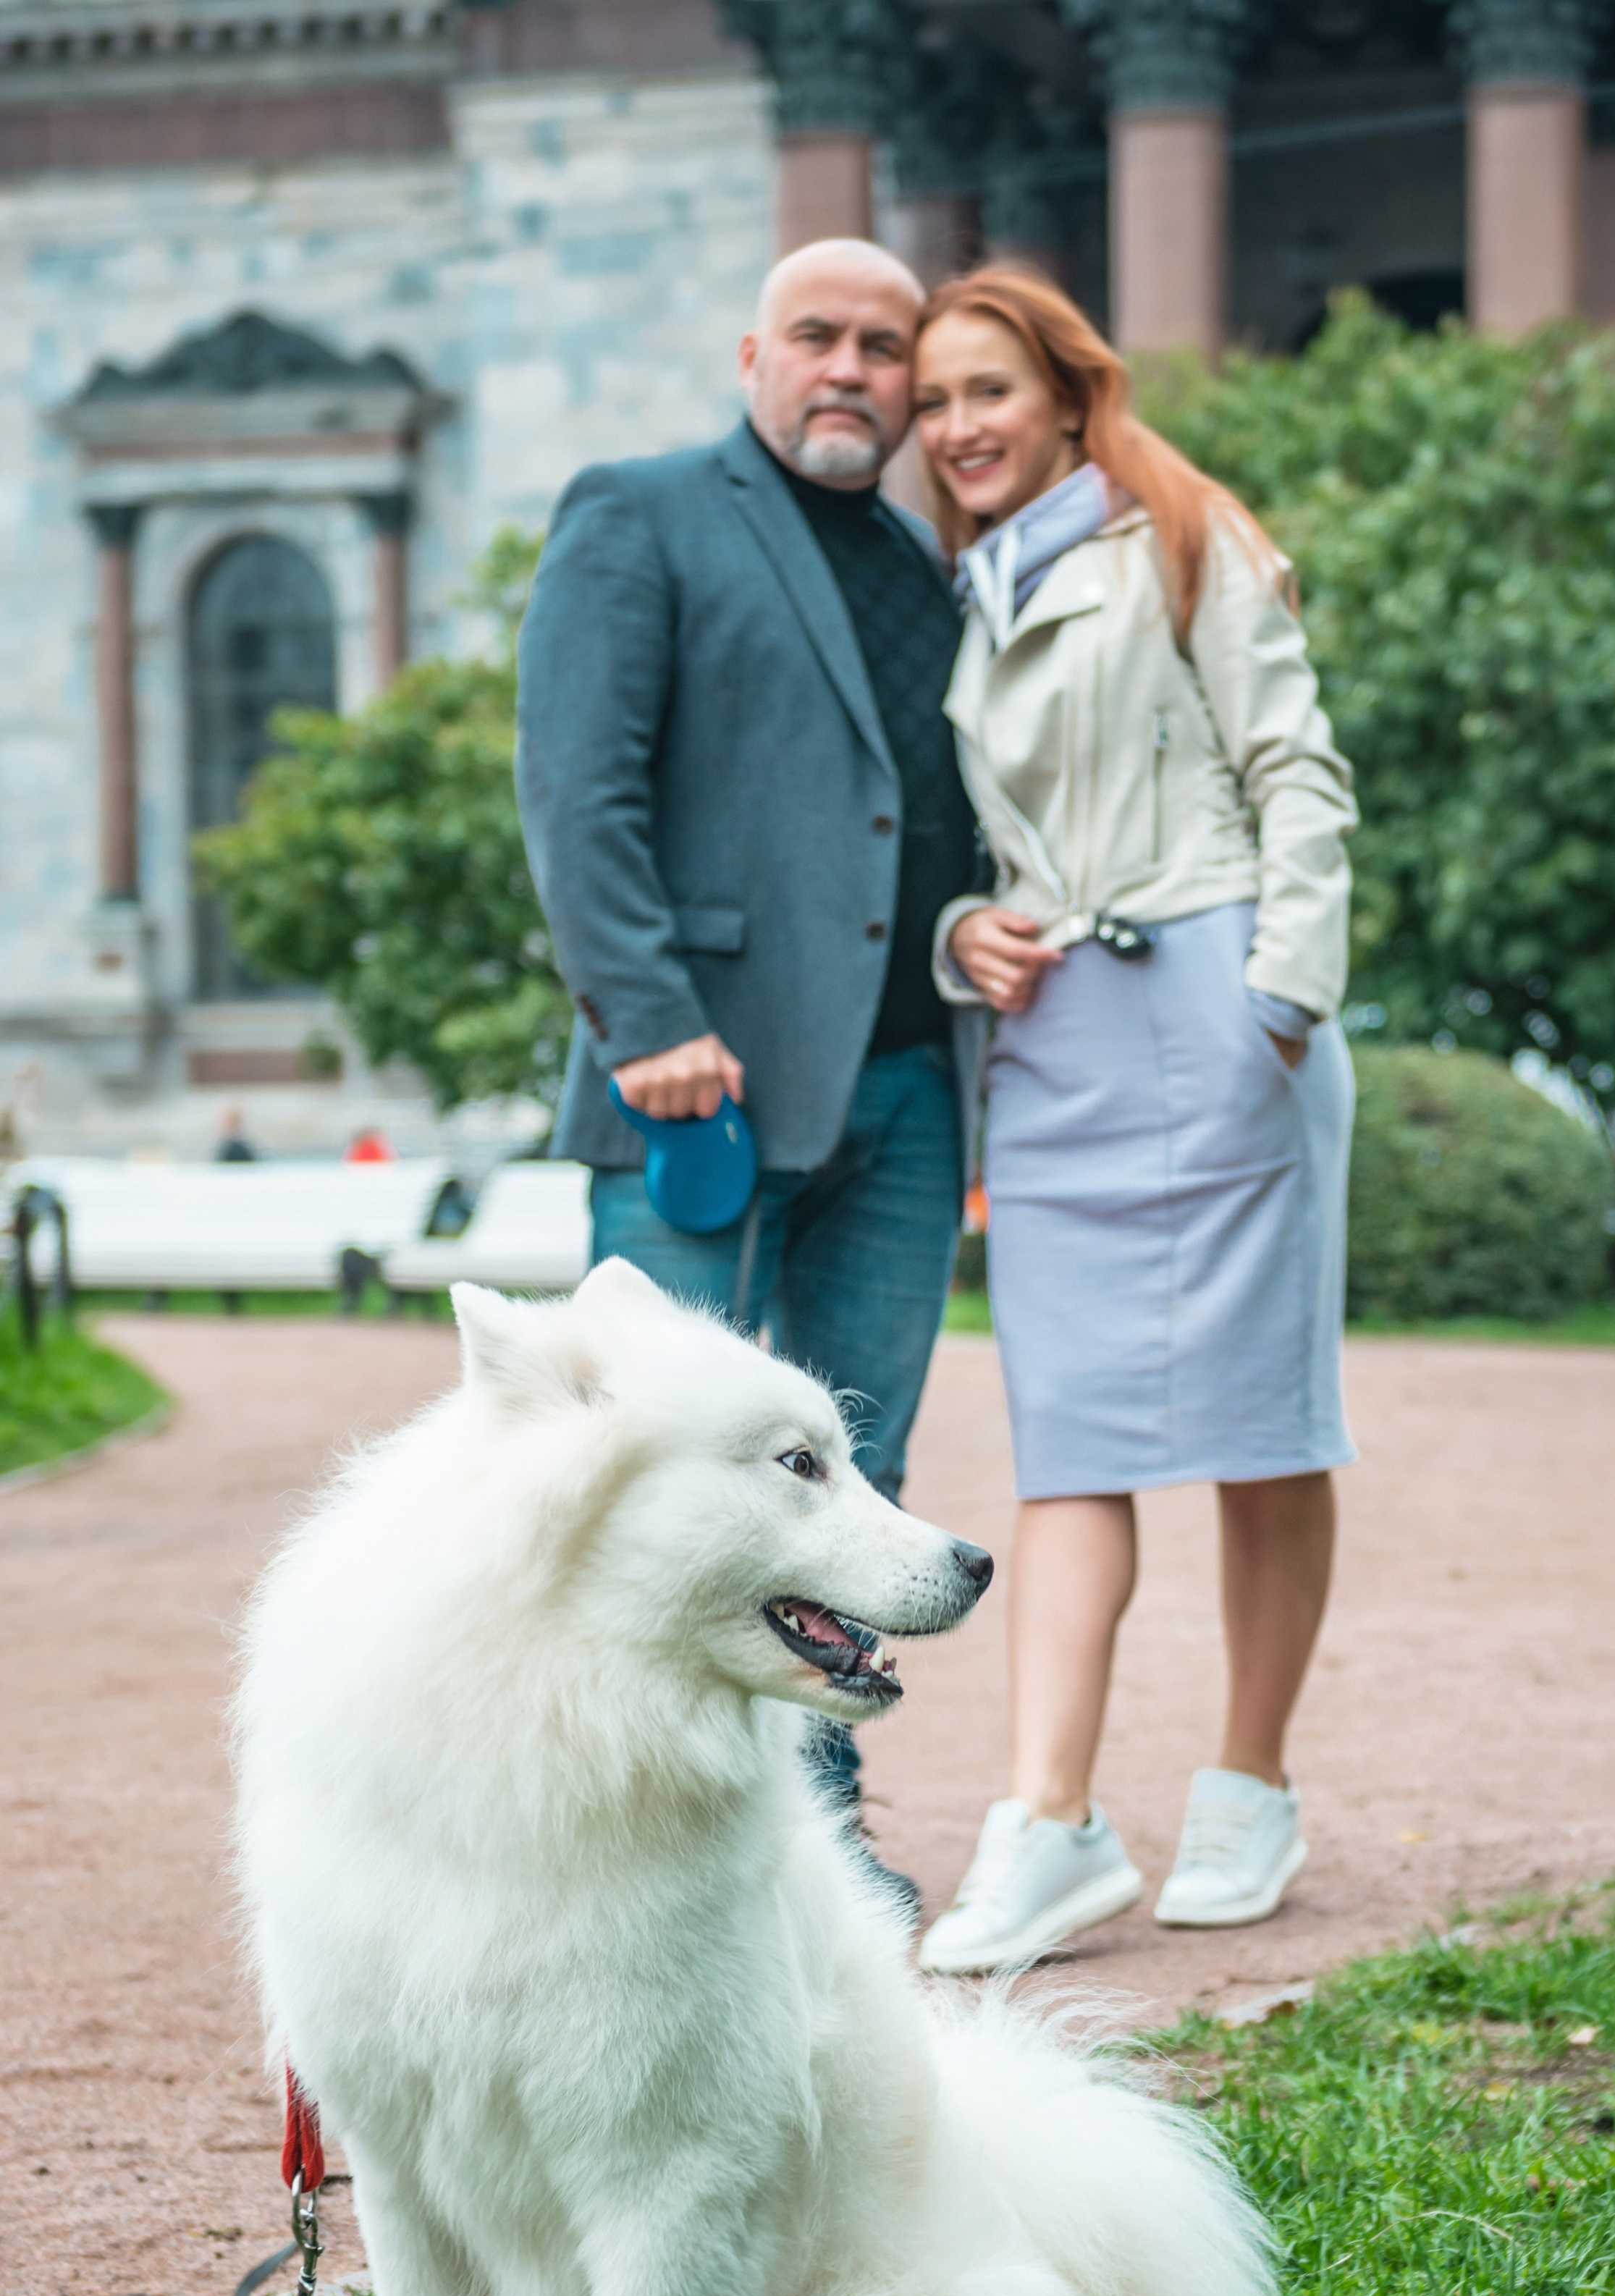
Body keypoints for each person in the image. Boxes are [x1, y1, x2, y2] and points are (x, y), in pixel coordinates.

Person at [908, 267, 1358, 1976]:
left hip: (1217, 1000)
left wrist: (1276, 998)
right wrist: (963, 935)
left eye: (986, 392)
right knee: (1068, 1434)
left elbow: (1296, 775)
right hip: (1054, 1042)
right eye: (936, 402)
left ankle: (1248, 1781)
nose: (956, 427)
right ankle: (1049, 1822)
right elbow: (969, 850)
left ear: (1064, 392)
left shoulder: (1181, 533)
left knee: (1259, 1421)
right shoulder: (955, 590)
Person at [514, 239, 987, 1859]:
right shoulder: (637, 513)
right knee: (636, 1475)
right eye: (816, 337)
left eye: (881, 345)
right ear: (751, 356)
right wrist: (644, 1020)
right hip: (694, 1087)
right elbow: (578, 791)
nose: (849, 369)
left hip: (915, 1086)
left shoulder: (931, 562)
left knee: (852, 1485)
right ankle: (600, 1832)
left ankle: (814, 1856)